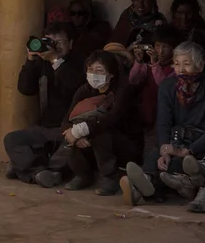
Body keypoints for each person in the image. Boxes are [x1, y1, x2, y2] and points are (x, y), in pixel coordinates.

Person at [121, 42, 205, 206]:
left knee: (181, 163)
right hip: (175, 139)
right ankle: (146, 181)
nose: (181, 69)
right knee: (156, 157)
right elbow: (163, 122)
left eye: (187, 64)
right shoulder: (168, 86)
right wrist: (165, 148)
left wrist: (186, 150)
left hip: (200, 143)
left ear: (201, 64)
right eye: (177, 64)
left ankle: (146, 188)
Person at [4, 22, 85, 184]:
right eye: (49, 42)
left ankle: (26, 168)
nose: (54, 47)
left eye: (59, 42)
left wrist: (56, 61)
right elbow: (25, 89)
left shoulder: (80, 63)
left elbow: (73, 87)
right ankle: (38, 172)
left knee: (70, 153)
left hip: (68, 131)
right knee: (11, 139)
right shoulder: (43, 62)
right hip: (45, 130)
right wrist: (30, 60)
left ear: (70, 43)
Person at [60, 50, 143, 195]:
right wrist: (74, 134)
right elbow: (67, 119)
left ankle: (111, 178)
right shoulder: (84, 90)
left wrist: (80, 131)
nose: (94, 74)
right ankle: (83, 175)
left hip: (124, 142)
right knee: (72, 135)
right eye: (90, 70)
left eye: (99, 70)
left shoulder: (122, 90)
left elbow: (110, 119)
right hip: (91, 139)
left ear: (111, 74)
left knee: (99, 132)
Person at [129, 25, 180, 128]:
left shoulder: (176, 68)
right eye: (157, 46)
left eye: (165, 47)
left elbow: (163, 85)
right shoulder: (148, 65)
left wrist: (155, 64)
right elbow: (133, 80)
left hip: (164, 116)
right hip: (146, 113)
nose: (160, 51)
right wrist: (138, 61)